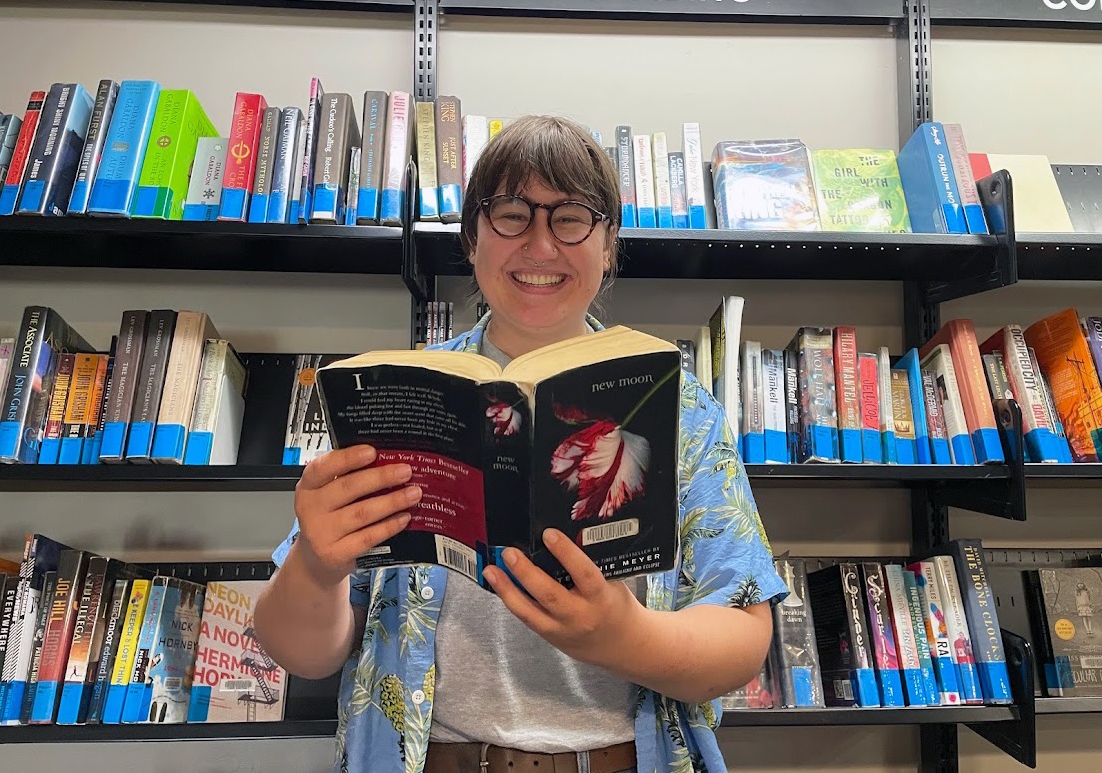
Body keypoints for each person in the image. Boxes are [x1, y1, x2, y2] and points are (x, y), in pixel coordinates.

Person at [254, 115, 787, 773]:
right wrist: (316, 564)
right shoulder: (398, 397)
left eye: (571, 217)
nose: (540, 245)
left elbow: (743, 633)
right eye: (511, 214)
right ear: (472, 239)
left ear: (608, 245)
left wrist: (626, 637)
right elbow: (302, 651)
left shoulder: (679, 405)